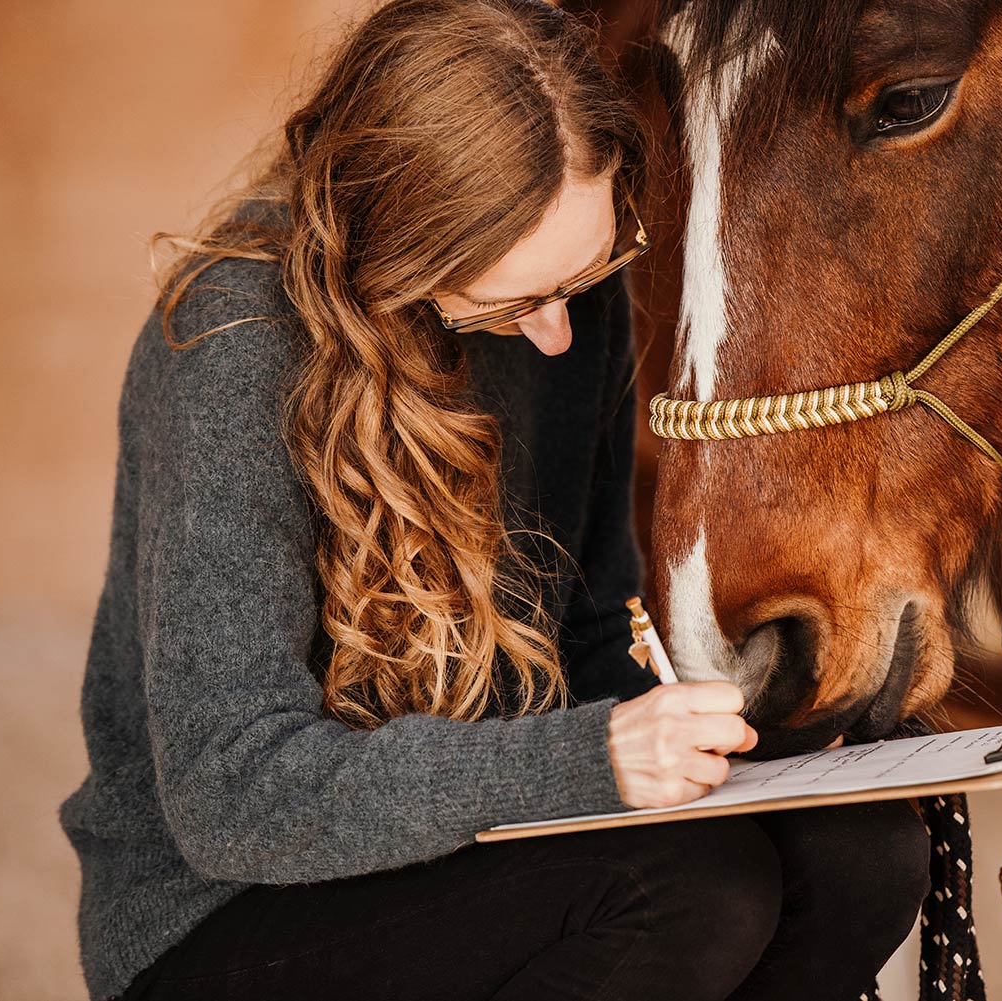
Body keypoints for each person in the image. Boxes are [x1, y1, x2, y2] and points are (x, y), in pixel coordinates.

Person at [58, 2, 930, 999]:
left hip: (475, 832)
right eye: (516, 304)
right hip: (224, 909)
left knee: (858, 851)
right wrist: (589, 761)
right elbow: (234, 792)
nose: (559, 333)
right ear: (406, 248)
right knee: (696, 889)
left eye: (584, 276)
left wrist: (758, 736)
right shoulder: (231, 346)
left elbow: (587, 636)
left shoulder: (573, 294)